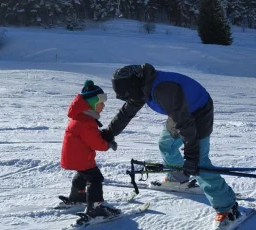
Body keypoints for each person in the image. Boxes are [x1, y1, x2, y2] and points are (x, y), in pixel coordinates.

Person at [99, 64, 239, 229]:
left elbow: (185, 125)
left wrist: (191, 157)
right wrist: (109, 133)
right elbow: (127, 112)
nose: (126, 99)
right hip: (179, 111)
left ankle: (228, 206)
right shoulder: (141, 87)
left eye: (126, 95)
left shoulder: (163, 90)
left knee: (199, 163)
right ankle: (178, 179)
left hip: (199, 111)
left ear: (134, 84)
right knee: (166, 144)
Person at [60, 80, 120, 218]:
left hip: (74, 158)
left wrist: (101, 134)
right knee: (95, 178)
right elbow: (96, 144)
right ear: (91, 104)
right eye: (101, 103)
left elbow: (89, 136)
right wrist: (108, 144)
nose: (103, 106)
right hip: (82, 158)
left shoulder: (81, 118)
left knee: (82, 175)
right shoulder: (86, 122)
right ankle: (95, 208)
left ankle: (77, 196)